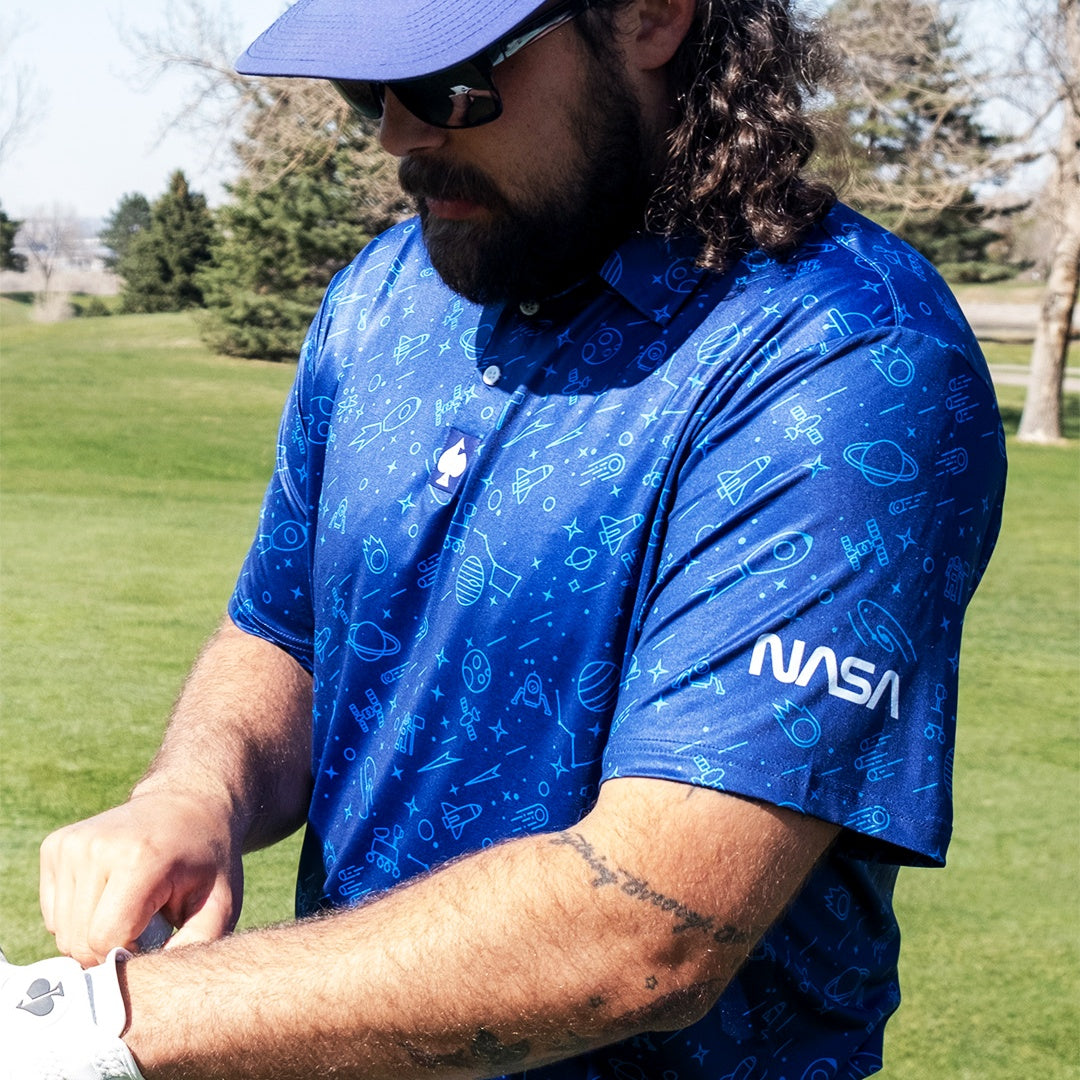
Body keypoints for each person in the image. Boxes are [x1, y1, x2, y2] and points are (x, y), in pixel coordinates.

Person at [2, 0, 1007, 1077]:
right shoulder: (384, 296)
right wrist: (197, 791)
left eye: (447, 81)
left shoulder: (848, 358)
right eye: (364, 86)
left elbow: (651, 927)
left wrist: (101, 1025)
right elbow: (285, 633)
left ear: (654, 18)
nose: (396, 133)